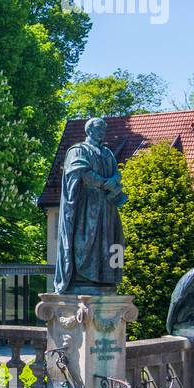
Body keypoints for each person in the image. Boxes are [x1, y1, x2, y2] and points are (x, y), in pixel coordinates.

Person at [54, 117, 125, 294]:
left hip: (107, 207)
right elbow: (80, 172)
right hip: (86, 207)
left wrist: (115, 180)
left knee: (110, 241)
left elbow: (117, 173)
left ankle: (104, 277)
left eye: (104, 128)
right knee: (86, 240)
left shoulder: (108, 153)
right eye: (100, 128)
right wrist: (103, 183)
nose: (103, 131)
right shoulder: (78, 150)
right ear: (90, 130)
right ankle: (83, 277)